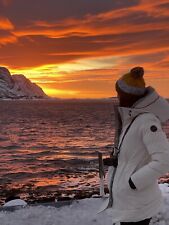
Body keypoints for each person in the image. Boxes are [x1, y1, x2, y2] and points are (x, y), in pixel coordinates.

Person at [104, 67, 169, 225]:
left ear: (128, 96)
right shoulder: (132, 119)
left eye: (120, 93)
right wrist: (116, 162)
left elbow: (164, 160)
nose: (118, 96)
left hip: (137, 203)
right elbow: (134, 155)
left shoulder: (146, 121)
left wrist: (134, 182)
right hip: (128, 203)